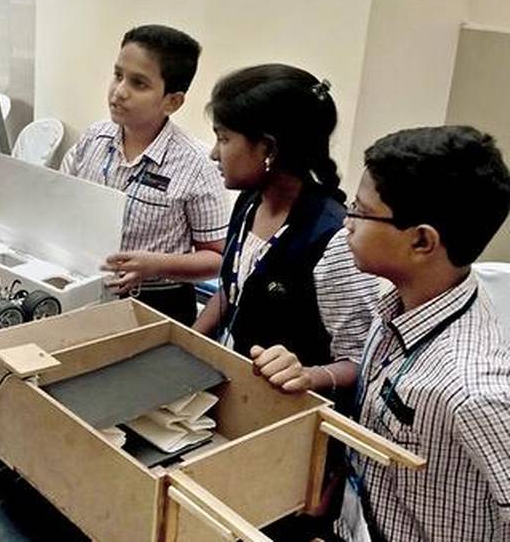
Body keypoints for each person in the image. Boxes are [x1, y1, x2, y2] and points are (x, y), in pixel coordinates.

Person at [333, 126, 510, 541]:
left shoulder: (474, 390)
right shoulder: (402, 303)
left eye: (360, 211)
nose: (347, 224)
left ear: (421, 241)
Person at [193, 64, 381, 404]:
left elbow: (360, 360)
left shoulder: (333, 240)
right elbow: (233, 289)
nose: (214, 153)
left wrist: (307, 375)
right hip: (236, 392)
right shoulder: (249, 202)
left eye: (223, 138)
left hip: (287, 412)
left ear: (268, 149)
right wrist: (188, 343)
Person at [61, 25, 231, 326]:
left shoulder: (196, 165)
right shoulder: (94, 138)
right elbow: (64, 201)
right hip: (83, 289)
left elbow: (218, 259)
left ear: (172, 101)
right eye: (117, 75)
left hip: (155, 304)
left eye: (138, 84)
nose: (119, 91)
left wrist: (156, 265)